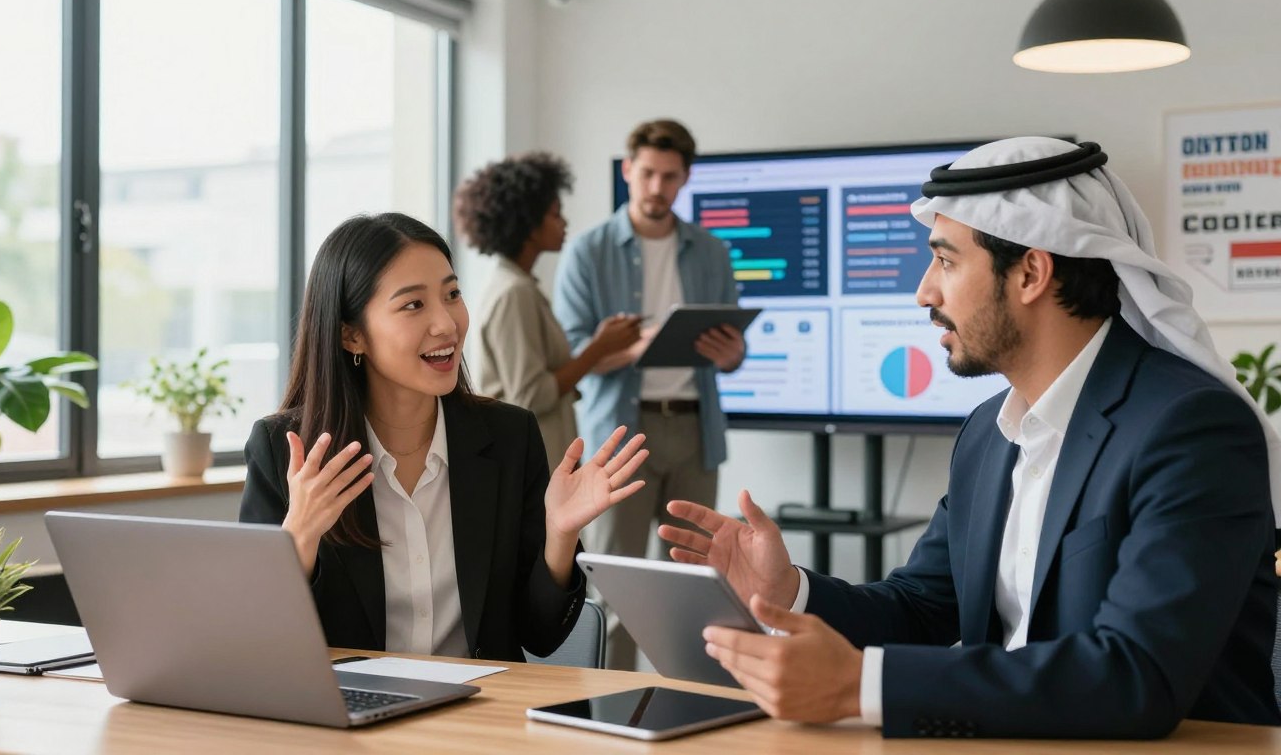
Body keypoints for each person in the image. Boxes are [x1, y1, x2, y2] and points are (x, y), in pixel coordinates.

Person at [660, 138, 1281, 737]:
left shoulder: (1189, 428)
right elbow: (920, 608)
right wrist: (787, 591)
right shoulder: (989, 431)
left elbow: (1136, 675)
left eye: (947, 260)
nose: (924, 291)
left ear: (1032, 272)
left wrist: (863, 685)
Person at [240, 212, 650, 662]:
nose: (447, 324)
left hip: (476, 717)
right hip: (347, 717)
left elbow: (541, 635)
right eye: (413, 305)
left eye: (452, 294)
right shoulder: (285, 451)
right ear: (351, 335)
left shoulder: (510, 437)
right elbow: (259, 645)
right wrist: (299, 538)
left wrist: (560, 534)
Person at [552, 118, 746, 669]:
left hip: (693, 429)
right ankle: (611, 708)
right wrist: (640, 346)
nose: (657, 187)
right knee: (617, 585)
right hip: (620, 432)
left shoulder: (711, 252)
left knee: (692, 584)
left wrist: (732, 357)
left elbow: (731, 353)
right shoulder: (589, 251)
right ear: (627, 171)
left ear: (685, 179)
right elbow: (573, 357)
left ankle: (687, 700)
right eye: (648, 174)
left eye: (670, 177)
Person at [455, 152, 642, 473]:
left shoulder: (518, 285)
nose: (564, 222)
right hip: (532, 466)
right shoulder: (514, 293)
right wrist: (598, 348)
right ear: (528, 225)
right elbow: (530, 395)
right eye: (555, 214)